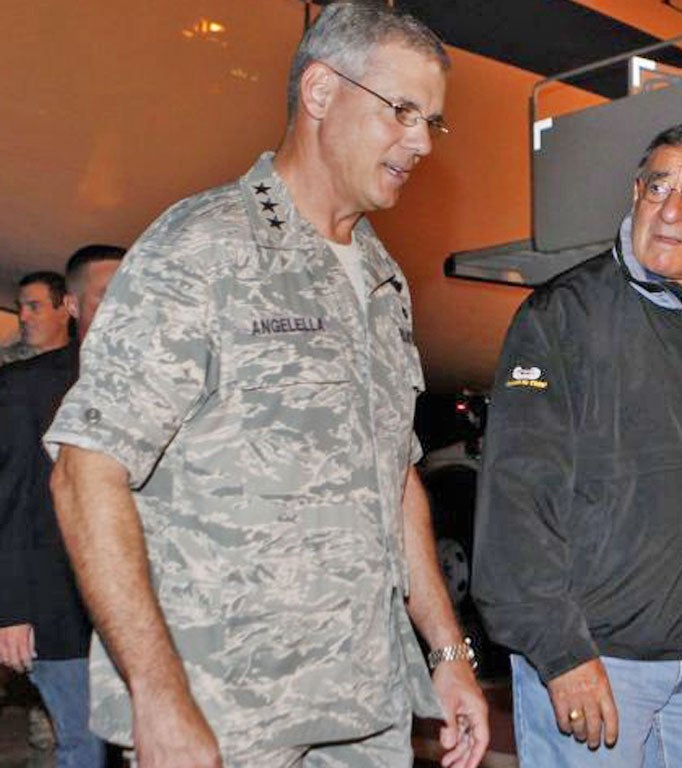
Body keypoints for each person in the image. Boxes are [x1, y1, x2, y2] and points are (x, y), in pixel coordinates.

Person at [45, 2, 487, 767]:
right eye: (402, 111)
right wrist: (158, 692)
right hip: (225, 715)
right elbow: (87, 472)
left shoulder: (382, 280)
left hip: (365, 709)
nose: (420, 141)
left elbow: (395, 475)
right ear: (320, 92)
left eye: (431, 121)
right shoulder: (205, 248)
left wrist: (447, 651)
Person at [473, 123, 682, 767]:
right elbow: (515, 505)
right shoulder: (564, 317)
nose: (670, 210)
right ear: (635, 192)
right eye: (657, 186)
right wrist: (562, 653)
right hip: (598, 660)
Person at [0, 245, 126, 767]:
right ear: (74, 306)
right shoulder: (26, 387)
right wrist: (11, 611)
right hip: (61, 609)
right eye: (105, 293)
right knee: (82, 744)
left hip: (149, 607)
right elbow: (10, 499)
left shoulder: (166, 381)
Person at [0, 271, 71, 366]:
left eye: (34, 307)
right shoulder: (5, 362)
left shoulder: (85, 364)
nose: (22, 317)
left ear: (64, 312)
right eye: (19, 307)